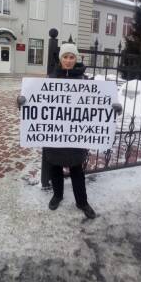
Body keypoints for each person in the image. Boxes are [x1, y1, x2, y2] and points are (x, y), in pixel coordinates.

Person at [43, 42, 97, 219]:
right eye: (65, 57)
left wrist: (114, 106)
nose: (68, 60)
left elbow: (96, 104)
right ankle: (57, 195)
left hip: (75, 133)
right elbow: (39, 102)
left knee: (76, 170)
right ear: (61, 59)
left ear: (76, 59)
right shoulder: (51, 78)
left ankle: (82, 202)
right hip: (56, 132)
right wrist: (23, 101)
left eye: (71, 57)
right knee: (55, 167)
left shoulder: (84, 81)